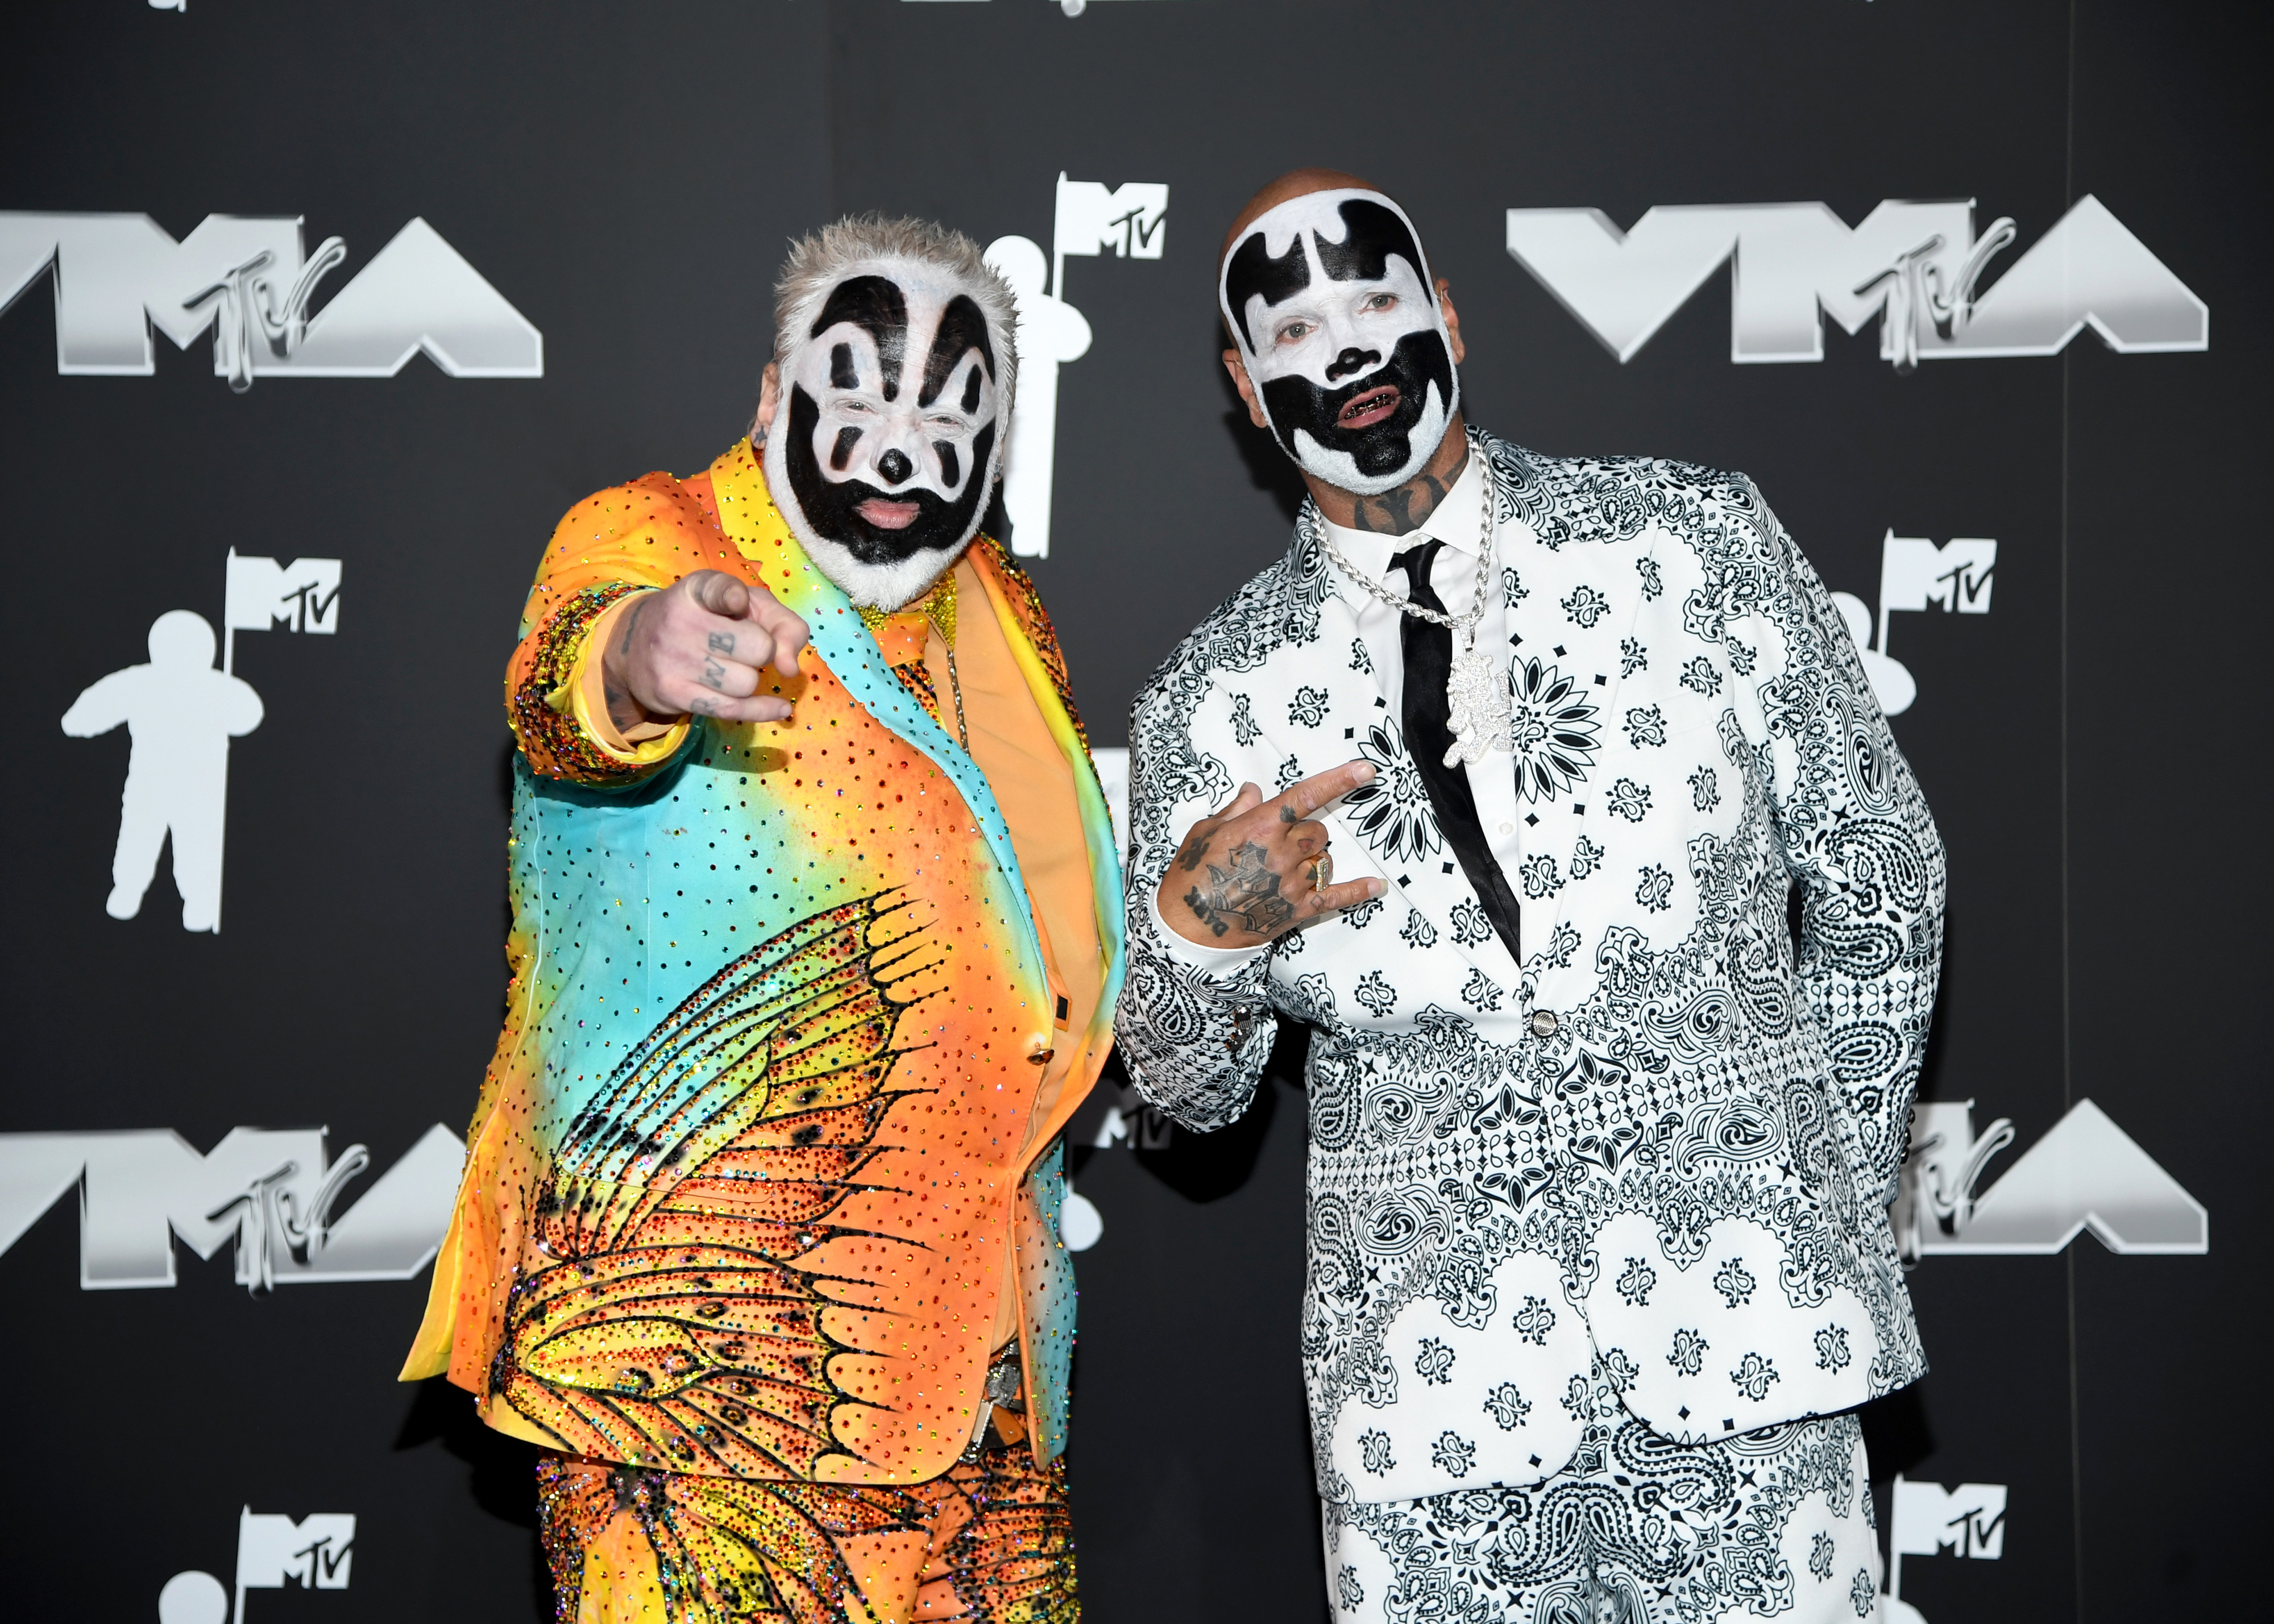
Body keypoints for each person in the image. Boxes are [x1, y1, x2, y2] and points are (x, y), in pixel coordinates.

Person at [1117, 171, 1945, 1622]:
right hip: (1430, 1410)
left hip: (1754, 1335)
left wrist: (1821, 1186)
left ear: (1445, 316)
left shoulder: (1685, 542)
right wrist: (1195, 942)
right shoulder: (1213, 699)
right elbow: (1188, 1095)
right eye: (1294, 329)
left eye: (1375, 299)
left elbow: (1880, 869)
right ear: (1246, 389)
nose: (1348, 348)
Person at [401, 215, 1122, 1624]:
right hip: (700, 1394)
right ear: (771, 395)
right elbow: (569, 688)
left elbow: (1030, 939)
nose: (902, 451)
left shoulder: (1006, 613)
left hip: (983, 1391)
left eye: (948, 412)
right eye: (860, 396)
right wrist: (641, 657)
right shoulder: (652, 537)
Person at [61, 608, 263, 933]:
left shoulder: (214, 688)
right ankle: (131, 890)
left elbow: (250, 716)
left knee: (195, 844)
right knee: (142, 838)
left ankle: (197, 900)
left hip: (197, 787)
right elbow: (85, 714)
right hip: (153, 784)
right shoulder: (146, 683)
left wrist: (227, 700)